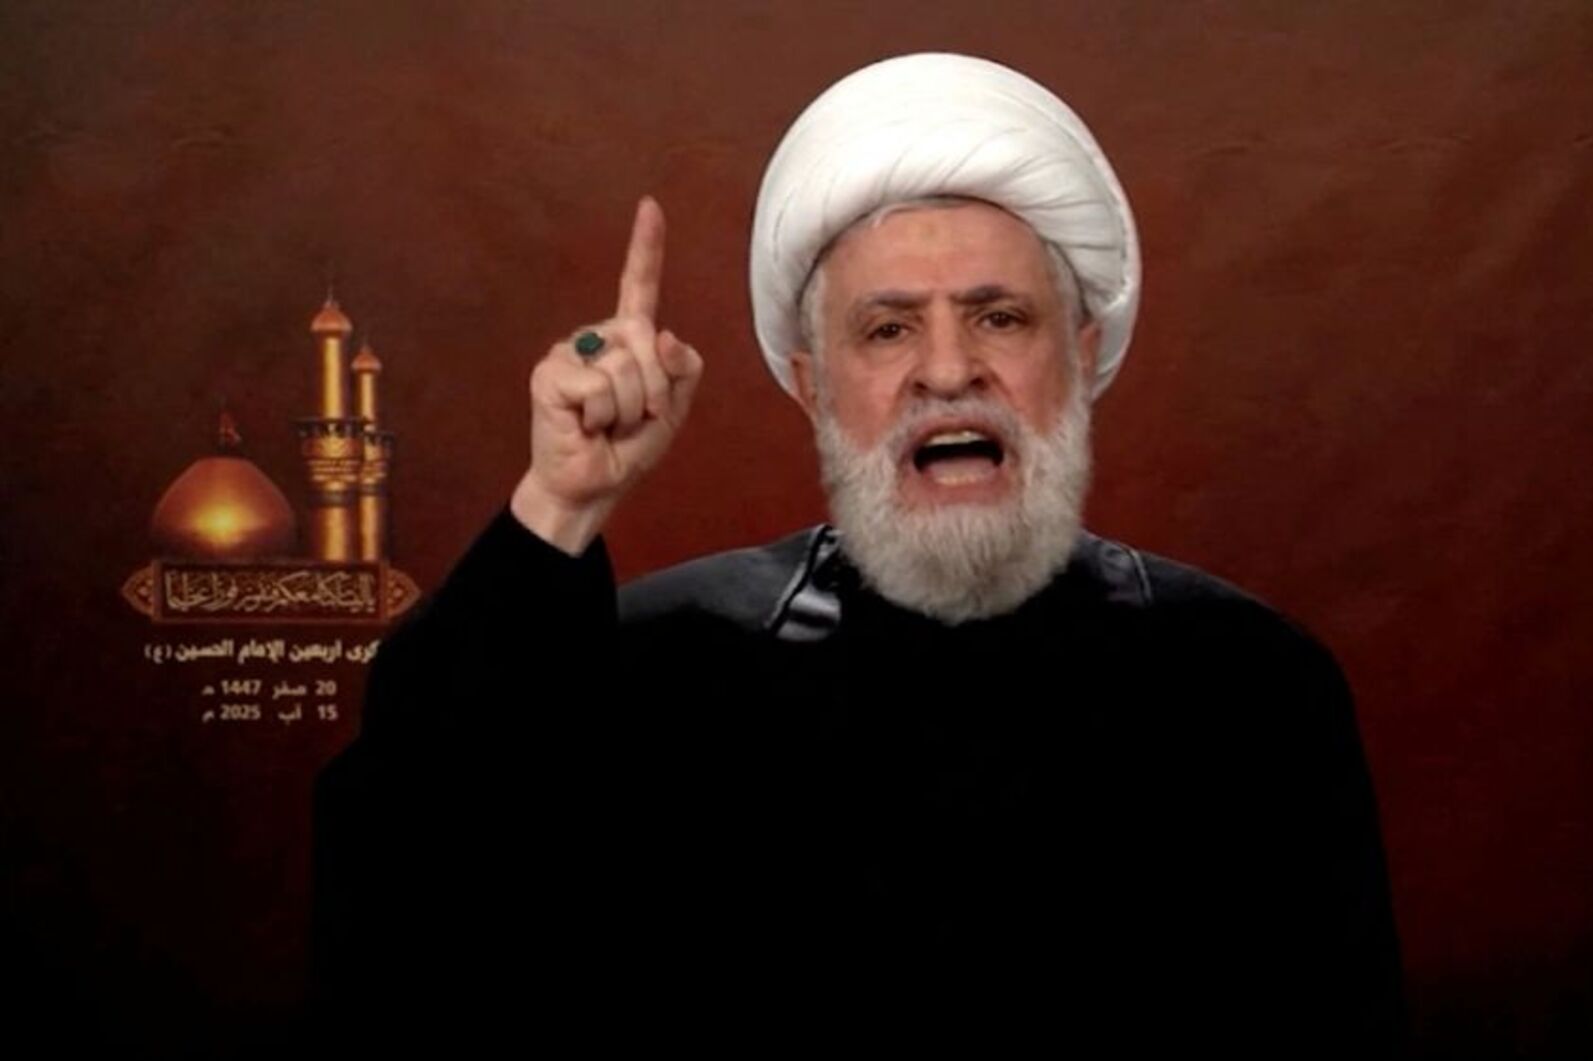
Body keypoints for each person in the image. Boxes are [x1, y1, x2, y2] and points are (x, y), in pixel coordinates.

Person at [312, 53, 1403, 1044]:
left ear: (1080, 357)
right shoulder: (667, 668)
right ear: (811, 384)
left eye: (999, 317)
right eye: (888, 328)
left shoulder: (1251, 685)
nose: (948, 370)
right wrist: (558, 505)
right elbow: (403, 908)